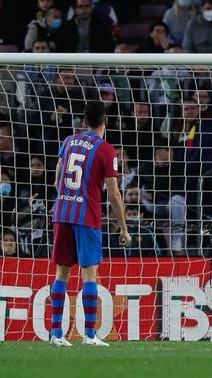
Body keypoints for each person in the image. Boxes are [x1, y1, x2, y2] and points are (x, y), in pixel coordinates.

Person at [46, 100, 130, 347]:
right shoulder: (106, 150)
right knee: (89, 274)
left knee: (62, 273)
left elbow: (58, 176)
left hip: (62, 213)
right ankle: (90, 335)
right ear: (107, 122)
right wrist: (124, 228)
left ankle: (55, 334)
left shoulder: (69, 142)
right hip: (87, 215)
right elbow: (114, 195)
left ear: (84, 122)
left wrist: (64, 192)